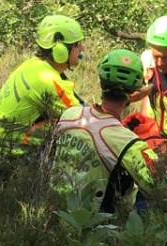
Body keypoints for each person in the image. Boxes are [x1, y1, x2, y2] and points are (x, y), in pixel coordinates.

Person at [50, 49, 156, 213]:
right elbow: (158, 183)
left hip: (57, 210)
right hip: (94, 225)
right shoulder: (128, 142)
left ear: (100, 83)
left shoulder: (69, 115)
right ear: (134, 91)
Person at [0, 13, 85, 157]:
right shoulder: (48, 81)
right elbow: (83, 119)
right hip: (6, 142)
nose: (82, 48)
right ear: (61, 51)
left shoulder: (34, 64)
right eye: (77, 44)